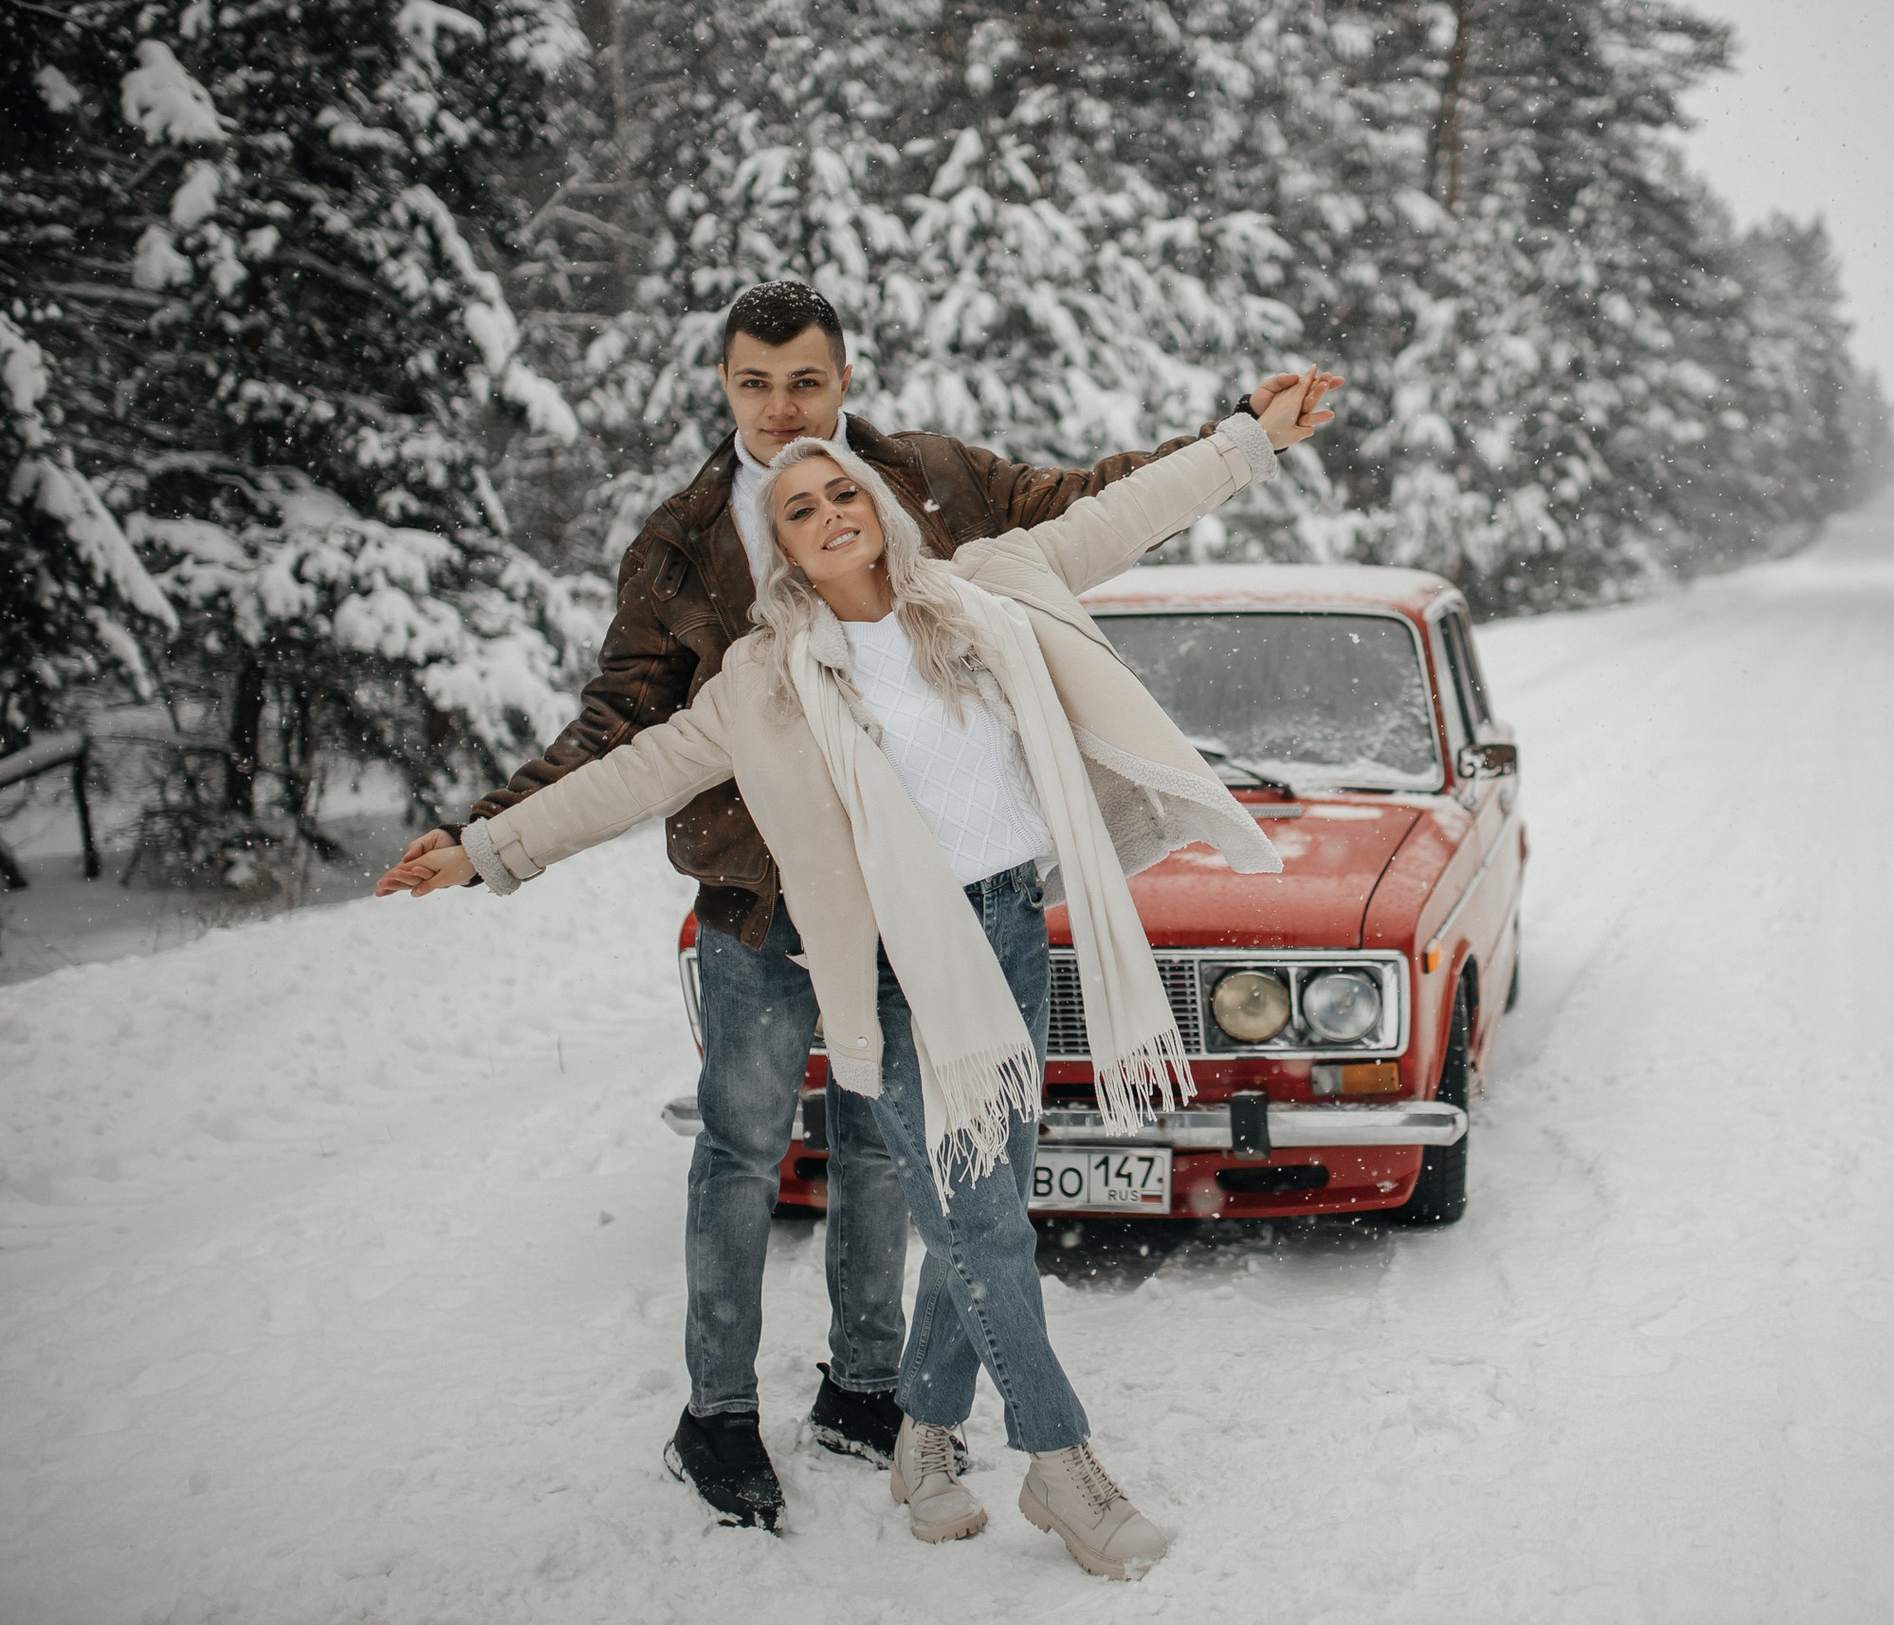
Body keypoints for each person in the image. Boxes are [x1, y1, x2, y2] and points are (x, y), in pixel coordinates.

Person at [380, 367, 1341, 1576]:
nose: (828, 509)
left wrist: (1254, 438)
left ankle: (926, 1438)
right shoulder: (764, 681)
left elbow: (1126, 509)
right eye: (797, 508)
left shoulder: (989, 586)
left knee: (976, 1212)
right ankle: (1062, 1464)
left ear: (878, 502)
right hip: (895, 961)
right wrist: (484, 848)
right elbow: (631, 774)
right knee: (982, 1221)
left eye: (842, 489)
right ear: (779, 548)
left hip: (1008, 929)